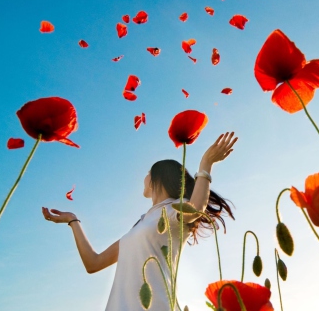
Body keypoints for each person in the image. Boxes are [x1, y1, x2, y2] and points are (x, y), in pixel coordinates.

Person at [41, 132, 238, 310]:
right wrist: (73, 221)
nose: (143, 178)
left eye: (147, 173)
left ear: (158, 178)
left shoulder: (174, 208)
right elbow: (94, 263)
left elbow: (195, 209)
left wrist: (205, 165)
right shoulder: (141, 224)